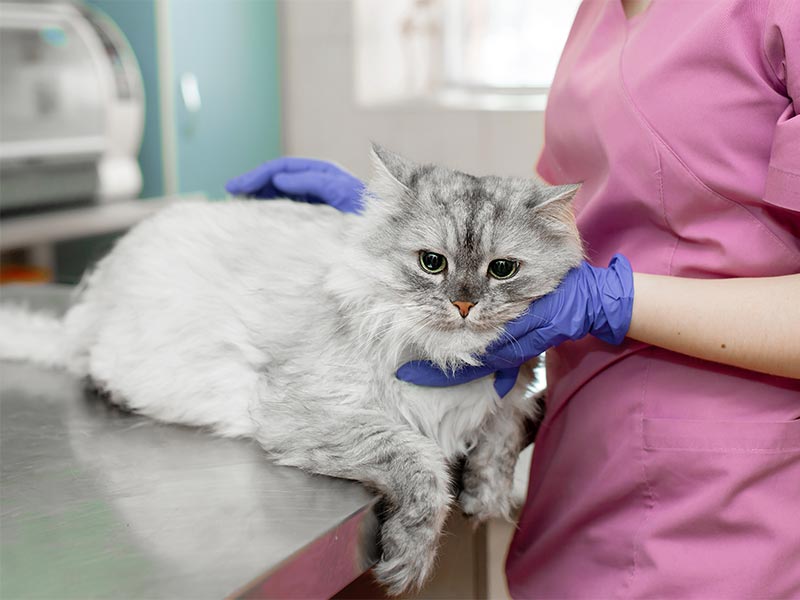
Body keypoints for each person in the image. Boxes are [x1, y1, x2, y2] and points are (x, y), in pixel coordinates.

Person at [226, 0, 800, 596]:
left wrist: (612, 301)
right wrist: (400, 223)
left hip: (725, 494)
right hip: (583, 453)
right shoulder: (597, 13)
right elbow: (565, 216)